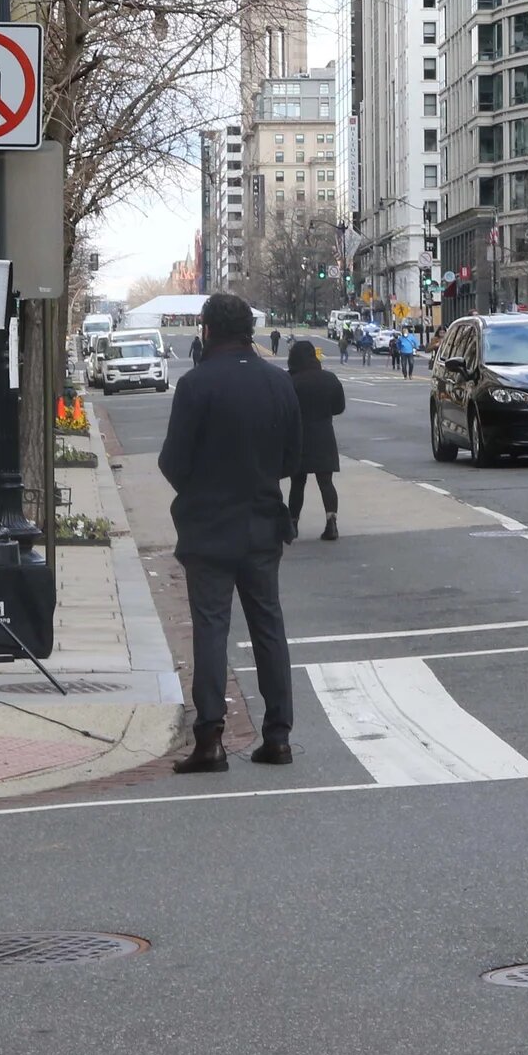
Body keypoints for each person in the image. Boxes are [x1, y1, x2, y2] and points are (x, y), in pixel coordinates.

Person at [158, 292, 301, 773]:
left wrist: (201, 489)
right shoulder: (279, 384)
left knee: (211, 629)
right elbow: (291, 457)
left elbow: (172, 461)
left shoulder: (196, 385)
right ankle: (278, 735)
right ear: (249, 331)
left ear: (208, 330)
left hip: (209, 525)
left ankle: (211, 739)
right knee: (269, 627)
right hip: (262, 521)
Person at [285, 340, 346, 542]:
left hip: (298, 435)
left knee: (297, 483)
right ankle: (331, 522)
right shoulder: (329, 379)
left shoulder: (290, 381)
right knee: (326, 482)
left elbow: (284, 409)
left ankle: (293, 523)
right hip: (323, 434)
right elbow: (339, 407)